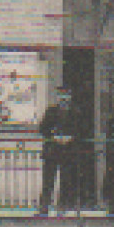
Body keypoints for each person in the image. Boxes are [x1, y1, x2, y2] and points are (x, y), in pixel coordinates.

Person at [37, 86, 83, 215]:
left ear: (70, 97)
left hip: (68, 152)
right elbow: (42, 129)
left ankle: (63, 207)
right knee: (48, 180)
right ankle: (44, 207)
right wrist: (53, 137)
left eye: (66, 96)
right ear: (57, 97)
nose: (63, 99)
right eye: (61, 96)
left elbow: (81, 130)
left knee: (66, 181)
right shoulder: (50, 111)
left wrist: (71, 137)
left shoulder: (76, 112)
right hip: (52, 151)